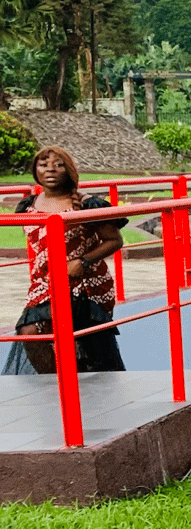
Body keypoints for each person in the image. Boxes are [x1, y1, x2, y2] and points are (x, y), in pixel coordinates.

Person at [7, 147, 126, 375]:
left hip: (86, 284)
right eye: (43, 165)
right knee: (29, 330)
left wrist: (83, 262)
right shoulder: (27, 206)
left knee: (92, 347)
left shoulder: (86, 204)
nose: (50, 170)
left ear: (69, 170)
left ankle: (90, 389)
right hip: (45, 284)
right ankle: (57, 385)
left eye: (58, 165)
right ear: (35, 171)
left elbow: (114, 240)